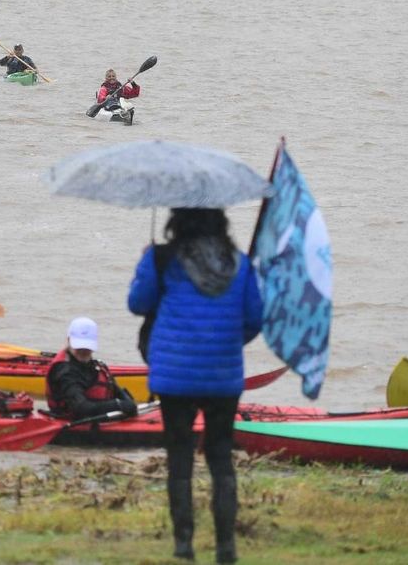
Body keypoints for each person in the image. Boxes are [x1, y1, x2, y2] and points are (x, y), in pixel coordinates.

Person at [128, 208, 263, 564]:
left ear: (178, 219)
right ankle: (225, 549)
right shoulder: (240, 262)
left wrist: (147, 261)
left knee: (180, 459)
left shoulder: (162, 257)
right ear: (220, 221)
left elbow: (138, 304)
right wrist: (226, 345)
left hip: (173, 376)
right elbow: (254, 319)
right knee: (221, 459)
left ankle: (184, 546)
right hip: (223, 375)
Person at [45, 316, 139, 421]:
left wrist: (128, 403)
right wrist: (118, 405)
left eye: (87, 347)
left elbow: (120, 395)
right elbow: (81, 408)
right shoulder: (63, 371)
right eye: (79, 347)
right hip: (72, 426)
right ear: (69, 340)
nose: (84, 351)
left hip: (99, 422)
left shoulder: (96, 366)